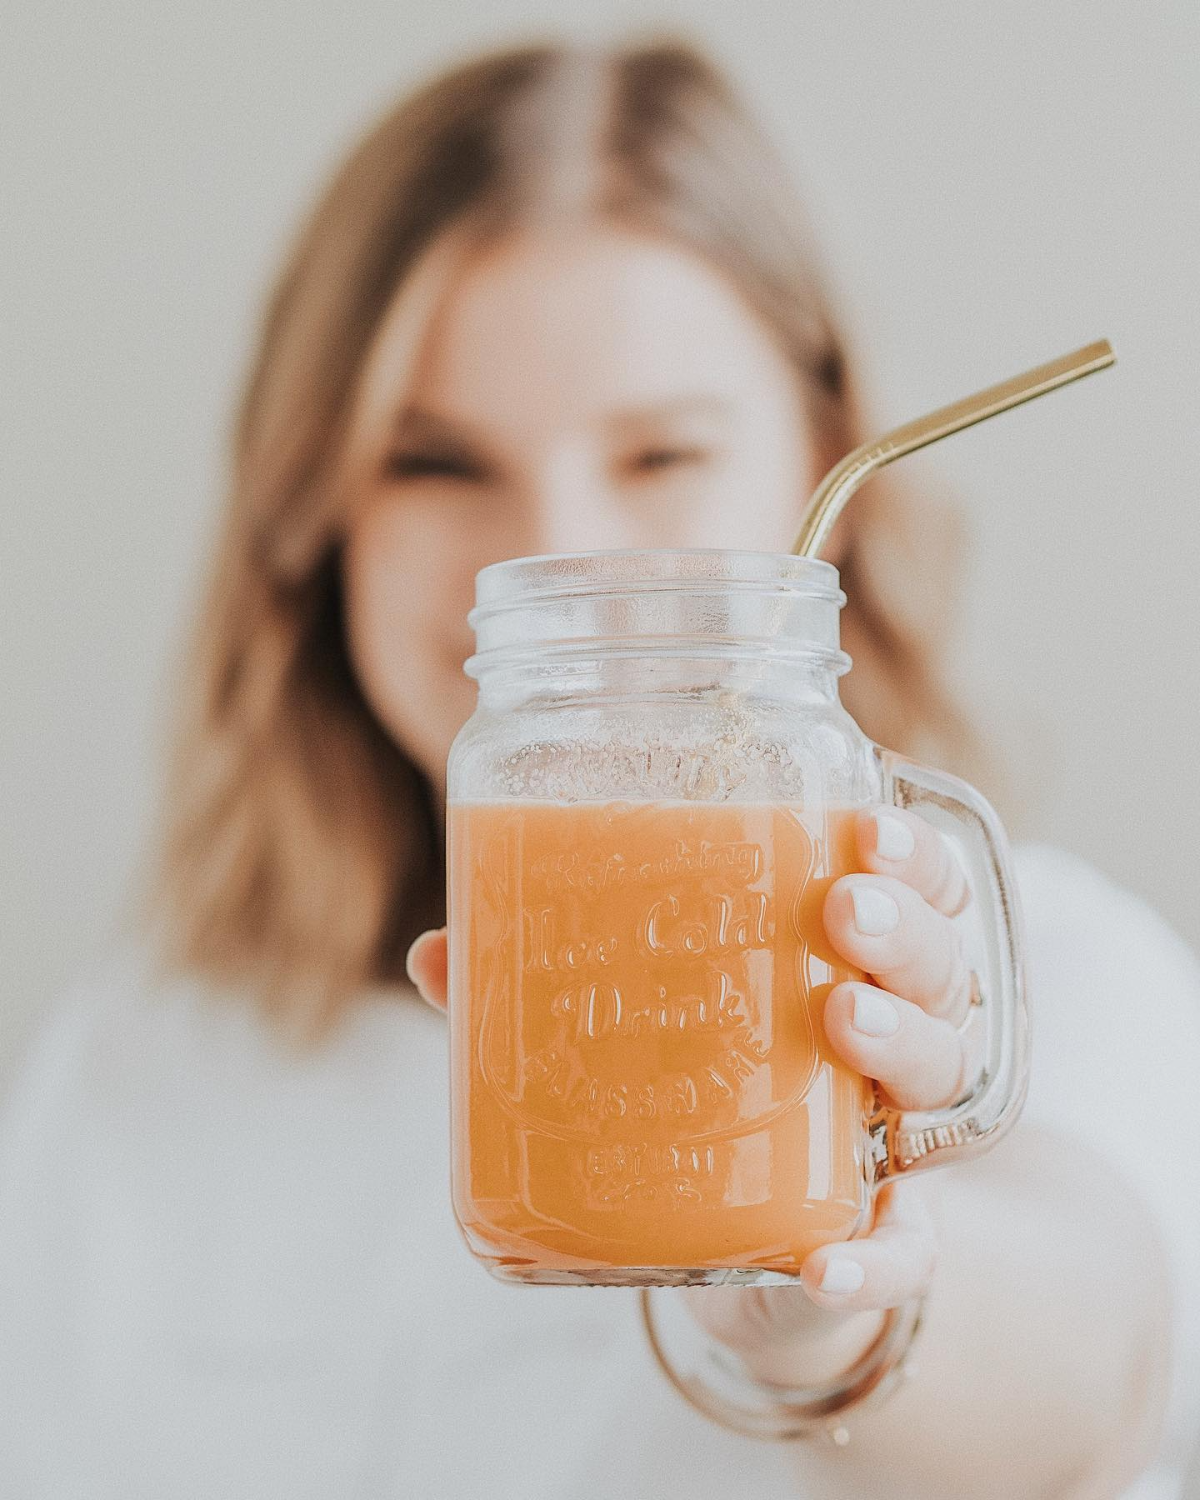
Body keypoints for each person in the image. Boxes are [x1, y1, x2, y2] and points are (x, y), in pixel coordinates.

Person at [2, 37, 1198, 1500]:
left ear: (824, 450)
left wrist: (825, 1310)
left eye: (659, 456)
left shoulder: (1041, 975)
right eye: (435, 462)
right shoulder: (140, 1061)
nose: (552, 553)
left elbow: (1092, 1383)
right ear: (314, 515)